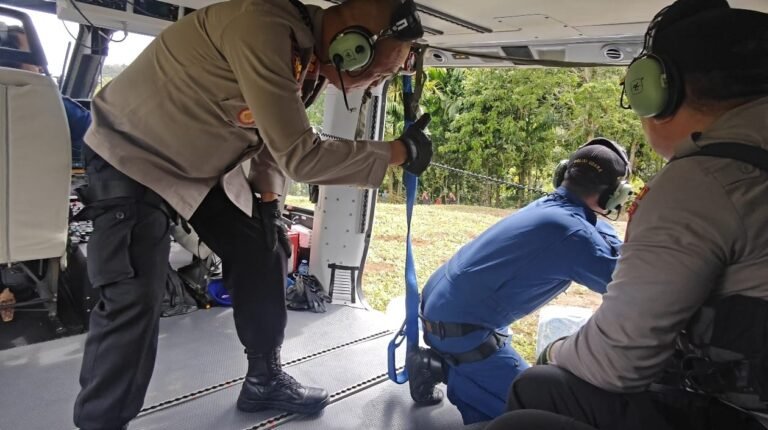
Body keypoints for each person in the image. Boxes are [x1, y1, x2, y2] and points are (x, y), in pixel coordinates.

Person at [71, 0, 434, 429]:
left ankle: (265, 379)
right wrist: (397, 152)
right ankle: (100, 423)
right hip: (131, 153)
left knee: (265, 249)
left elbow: (269, 139)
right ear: (352, 45)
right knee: (133, 294)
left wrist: (267, 203)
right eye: (379, 71)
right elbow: (301, 154)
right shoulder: (262, 27)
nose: (374, 83)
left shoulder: (302, 55)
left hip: (196, 166)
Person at [487, 1, 768, 429]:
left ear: (655, 90)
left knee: (529, 401)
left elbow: (616, 359)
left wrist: (555, 349)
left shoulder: (704, 181)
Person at [407, 138, 631, 424]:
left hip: (445, 311)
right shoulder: (574, 235)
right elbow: (627, 284)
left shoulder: (554, 208)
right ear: (615, 194)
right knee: (542, 414)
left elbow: (597, 231)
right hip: (463, 331)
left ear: (563, 174)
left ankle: (438, 367)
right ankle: (450, 368)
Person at [0, 25, 91, 168]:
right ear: (8, 57)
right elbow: (99, 139)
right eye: (32, 55)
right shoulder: (54, 106)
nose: (40, 67)